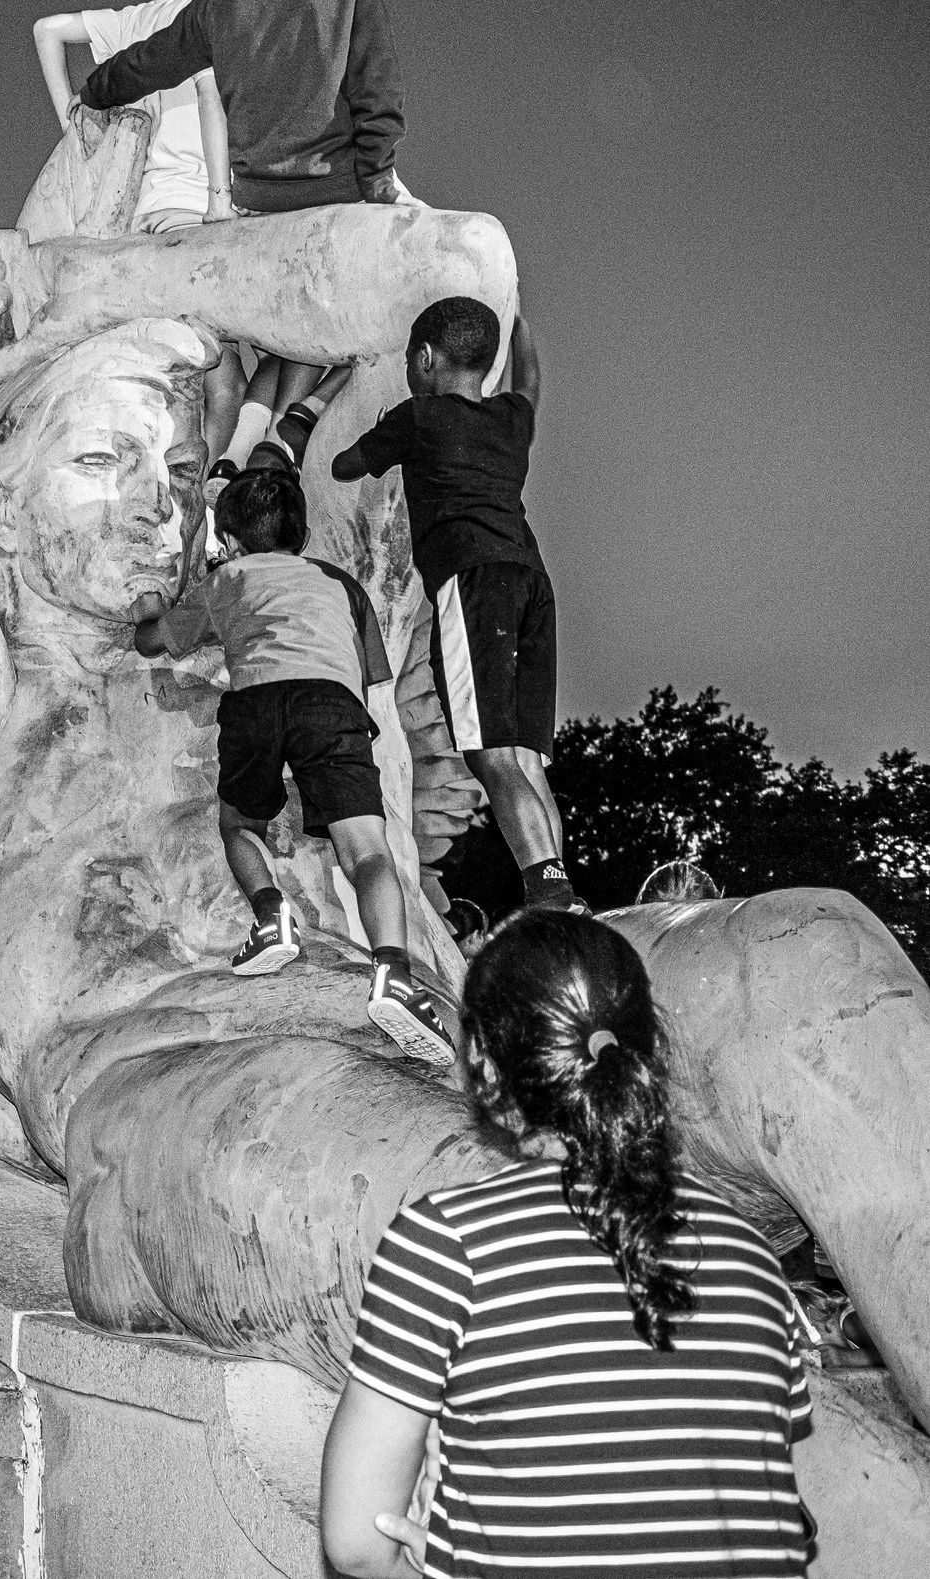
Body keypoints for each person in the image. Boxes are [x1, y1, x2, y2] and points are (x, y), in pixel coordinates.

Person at [321, 912, 814, 1577]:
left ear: (482, 1068)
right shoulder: (753, 1256)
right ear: (649, 1053)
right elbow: (767, 1501)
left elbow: (355, 1541)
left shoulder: (447, 1245)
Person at [134, 468, 450, 1063]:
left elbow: (153, 641)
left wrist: (150, 610)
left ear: (227, 540)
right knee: (368, 853)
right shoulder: (340, 584)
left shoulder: (227, 578)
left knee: (238, 825)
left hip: (256, 702)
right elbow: (373, 676)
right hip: (331, 705)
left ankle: (271, 915)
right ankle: (395, 975)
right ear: (300, 537)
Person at [80, 0, 402, 482]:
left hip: (256, 201)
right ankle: (290, 429)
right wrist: (377, 189)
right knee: (368, 314)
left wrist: (95, 90)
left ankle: (243, 448)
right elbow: (377, 100)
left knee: (280, 326)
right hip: (334, 191)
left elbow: (152, 61)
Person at [331, 300, 581, 912]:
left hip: (472, 581)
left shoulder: (418, 418)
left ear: (422, 358)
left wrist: (381, 423)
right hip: (531, 580)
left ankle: (545, 891)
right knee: (525, 758)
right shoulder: (511, 419)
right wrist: (519, 320)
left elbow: (344, 467)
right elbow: (531, 379)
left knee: (488, 754)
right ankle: (561, 890)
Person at [34, 0, 248, 233]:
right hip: (211, 207)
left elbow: (47, 30)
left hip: (149, 208)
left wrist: (71, 130)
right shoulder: (231, 15)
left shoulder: (132, 22)